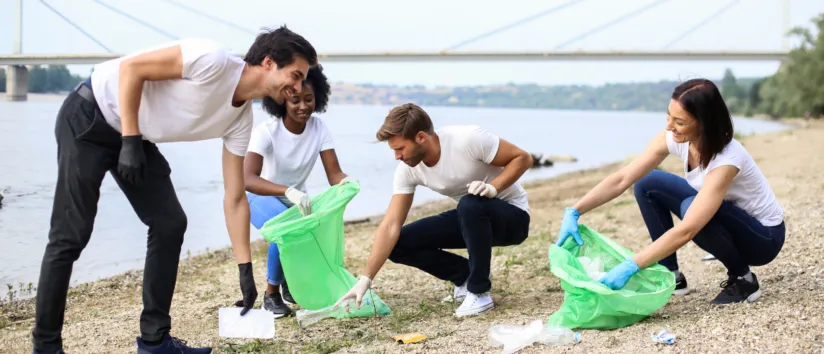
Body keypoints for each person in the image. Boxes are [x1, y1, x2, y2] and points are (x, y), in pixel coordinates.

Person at [31, 26, 318, 354]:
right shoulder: (211, 58)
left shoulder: (240, 120)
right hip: (90, 116)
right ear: (268, 63)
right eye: (295, 76)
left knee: (170, 223)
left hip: (133, 136)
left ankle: (154, 341)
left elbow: (235, 197)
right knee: (70, 235)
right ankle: (45, 347)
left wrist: (244, 269)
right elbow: (132, 69)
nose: (298, 87)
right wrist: (129, 139)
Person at [556, 78, 785, 305]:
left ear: (703, 123)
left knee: (689, 208)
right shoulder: (677, 137)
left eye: (680, 121)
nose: (669, 126)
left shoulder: (727, 159)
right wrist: (575, 211)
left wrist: (631, 266)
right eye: (669, 116)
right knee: (647, 181)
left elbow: (688, 229)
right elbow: (622, 178)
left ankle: (744, 279)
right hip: (729, 217)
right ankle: (671, 275)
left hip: (762, 238)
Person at [334, 103, 533, 317]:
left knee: (469, 203)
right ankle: (465, 277)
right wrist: (366, 279)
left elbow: (523, 158)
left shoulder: (467, 139)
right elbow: (390, 225)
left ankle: (480, 292)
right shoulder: (408, 171)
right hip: (472, 218)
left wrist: (493, 188)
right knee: (398, 242)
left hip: (513, 218)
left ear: (421, 137)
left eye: (400, 149)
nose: (397, 157)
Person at [241, 64, 352, 318]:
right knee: (286, 232)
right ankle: (271, 296)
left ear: (318, 99)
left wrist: (347, 184)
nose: (303, 106)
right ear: (281, 100)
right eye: (295, 100)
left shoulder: (319, 129)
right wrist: (287, 190)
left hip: (295, 199)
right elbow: (246, 178)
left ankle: (291, 284)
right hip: (259, 196)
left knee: (307, 232)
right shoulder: (267, 132)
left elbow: (335, 174)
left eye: (309, 99)